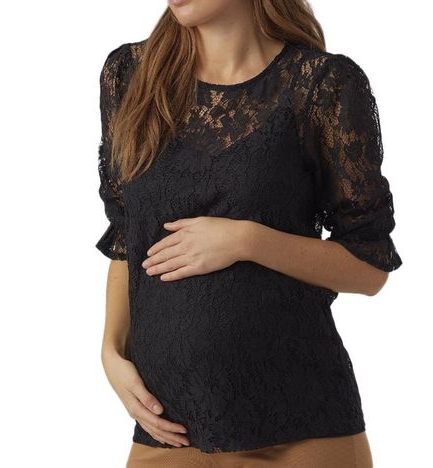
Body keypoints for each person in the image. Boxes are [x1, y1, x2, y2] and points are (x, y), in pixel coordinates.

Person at [96, 1, 403, 466]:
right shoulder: (129, 75)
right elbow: (126, 234)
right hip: (169, 431)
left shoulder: (321, 85)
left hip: (300, 434)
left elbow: (369, 267)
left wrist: (246, 241)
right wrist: (111, 352)